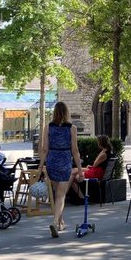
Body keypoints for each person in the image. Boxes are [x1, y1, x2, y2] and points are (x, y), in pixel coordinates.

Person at [38, 100, 83, 238]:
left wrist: (40, 167)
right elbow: (75, 151)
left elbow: (44, 149)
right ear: (67, 113)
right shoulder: (72, 128)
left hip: (52, 160)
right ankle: (54, 221)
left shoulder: (48, 128)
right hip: (64, 161)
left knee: (58, 193)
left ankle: (60, 222)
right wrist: (80, 170)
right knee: (61, 195)